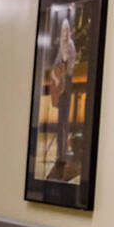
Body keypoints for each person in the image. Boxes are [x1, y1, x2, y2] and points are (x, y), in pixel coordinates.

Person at [49, 17, 77, 177]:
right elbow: (54, 67)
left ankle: (63, 154)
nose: (65, 34)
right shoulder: (60, 47)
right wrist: (56, 77)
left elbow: (70, 68)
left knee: (65, 122)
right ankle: (60, 154)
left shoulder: (70, 46)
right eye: (63, 31)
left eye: (67, 31)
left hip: (67, 88)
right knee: (61, 122)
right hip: (60, 89)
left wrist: (64, 67)